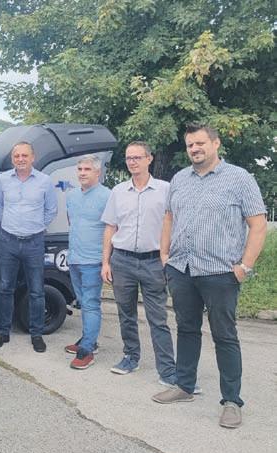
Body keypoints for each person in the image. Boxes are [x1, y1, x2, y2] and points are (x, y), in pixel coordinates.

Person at [152, 123, 267, 429]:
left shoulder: (239, 179)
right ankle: (184, 386)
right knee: (187, 329)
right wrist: (165, 256)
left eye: (200, 143)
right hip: (182, 269)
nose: (195, 149)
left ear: (216, 144)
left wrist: (244, 267)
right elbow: (169, 218)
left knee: (224, 336)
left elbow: (257, 224)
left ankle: (231, 401)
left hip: (220, 273)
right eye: (190, 144)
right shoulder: (179, 179)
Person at [100, 142, 177, 383]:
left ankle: (167, 370)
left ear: (149, 159)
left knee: (158, 318)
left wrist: (168, 257)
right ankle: (130, 357)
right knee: (126, 314)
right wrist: (106, 262)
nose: (132, 162)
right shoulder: (118, 191)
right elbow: (110, 227)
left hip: (153, 262)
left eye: (137, 157)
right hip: (122, 261)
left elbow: (174, 225)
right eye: (128, 158)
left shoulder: (166, 190)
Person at [0, 141, 57, 352]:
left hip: (34, 242)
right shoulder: (3, 180)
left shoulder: (45, 181)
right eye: (17, 156)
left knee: (36, 290)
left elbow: (51, 210)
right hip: (8, 241)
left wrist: (36, 227)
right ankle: (3, 332)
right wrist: (10, 225)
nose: (20, 159)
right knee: (5, 288)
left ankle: (36, 334)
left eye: (24, 155)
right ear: (13, 159)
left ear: (32, 157)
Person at [65, 156, 110, 369]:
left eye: (87, 169)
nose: (82, 173)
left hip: (93, 260)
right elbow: (72, 222)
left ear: (97, 172)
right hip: (75, 258)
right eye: (80, 169)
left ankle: (87, 351)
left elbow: (112, 229)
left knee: (91, 303)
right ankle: (89, 338)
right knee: (83, 302)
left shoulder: (107, 196)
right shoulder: (72, 195)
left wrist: (106, 261)